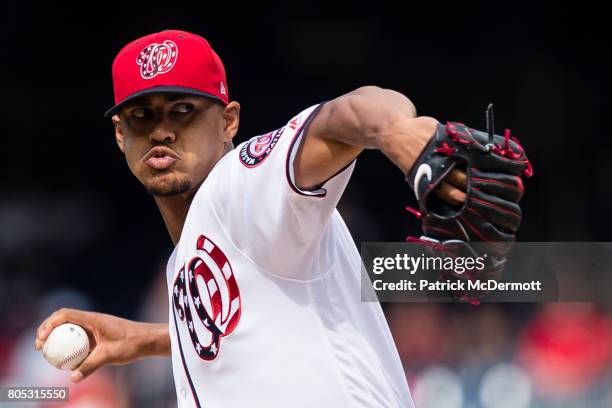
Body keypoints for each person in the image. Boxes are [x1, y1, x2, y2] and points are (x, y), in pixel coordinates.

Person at [35, 29, 469, 408]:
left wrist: (397, 132)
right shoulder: (189, 255)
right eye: (141, 115)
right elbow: (257, 329)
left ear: (229, 121)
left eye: (182, 110)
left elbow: (349, 111)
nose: (160, 131)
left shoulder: (241, 184)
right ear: (119, 135)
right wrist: (144, 339)